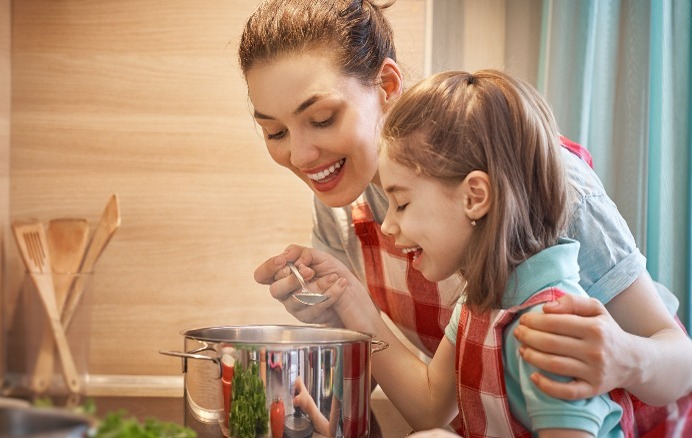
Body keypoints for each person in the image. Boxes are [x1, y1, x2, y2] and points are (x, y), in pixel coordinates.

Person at [240, 0, 692, 423]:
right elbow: (434, 403)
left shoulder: (543, 179)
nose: (300, 156)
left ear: (387, 86)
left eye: (321, 119)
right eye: (275, 132)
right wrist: (337, 308)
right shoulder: (342, 204)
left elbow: (679, 362)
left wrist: (624, 358)